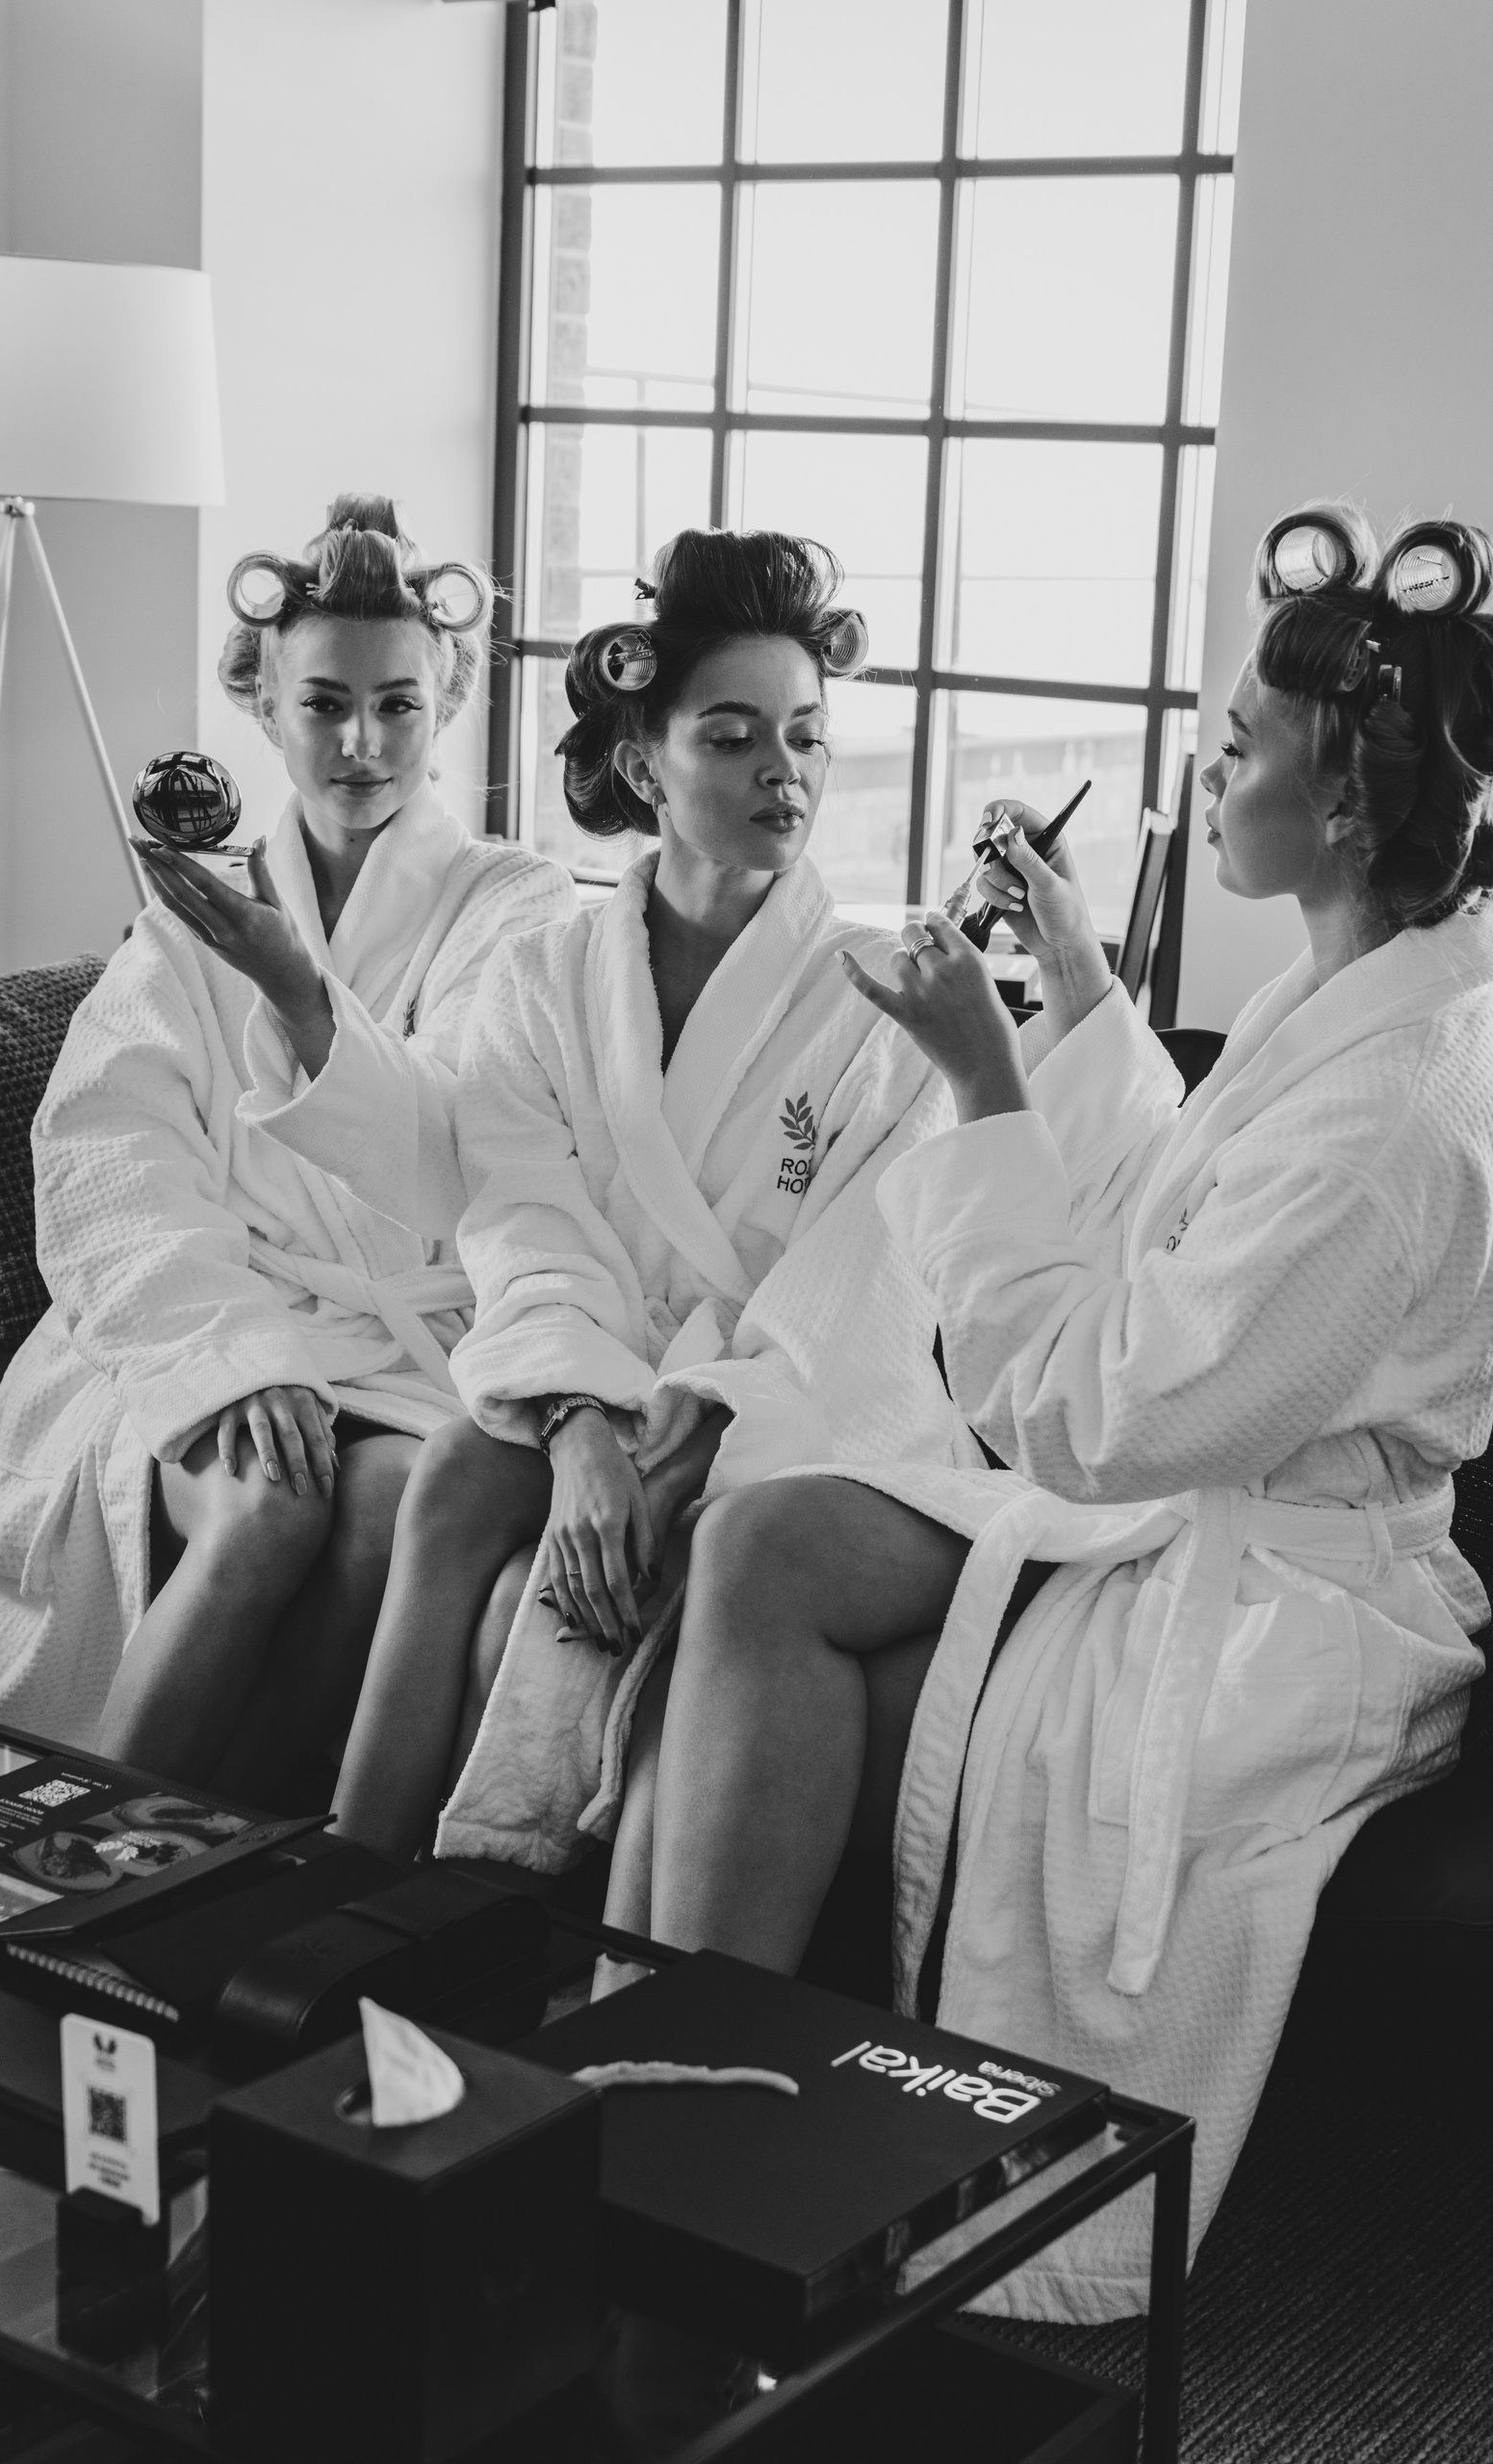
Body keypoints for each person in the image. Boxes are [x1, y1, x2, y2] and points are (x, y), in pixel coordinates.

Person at [639, 507, 1493, 2319]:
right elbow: (1181, 1213)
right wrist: (1073, 975)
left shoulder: (1392, 1110)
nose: (1208, 771)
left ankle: (701, 2133)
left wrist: (983, 1084)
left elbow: (1100, 1413)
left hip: (1270, 1600)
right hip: (1190, 1504)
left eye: (1239, 746)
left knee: (783, 1601)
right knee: (760, 1538)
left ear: (1346, 806)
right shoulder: (1357, 995)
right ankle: (679, 2073)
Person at [315, 529, 980, 1874]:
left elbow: (860, 1291)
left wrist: (678, 1448)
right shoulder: (544, 976)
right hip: (601, 1376)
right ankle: (348, 1875)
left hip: (796, 1413)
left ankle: (494, 1892)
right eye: (732, 738)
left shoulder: (886, 1002)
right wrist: (581, 1434)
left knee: (615, 1540)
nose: (784, 772)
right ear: (642, 767)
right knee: (456, 1471)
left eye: (805, 736)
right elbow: (524, 1220)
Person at [0, 496, 574, 1795]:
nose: (362, 742)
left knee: (384, 1510)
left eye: (397, 704)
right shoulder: (191, 915)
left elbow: (465, 1156)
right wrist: (232, 1356)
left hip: (403, 1346)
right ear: (267, 707)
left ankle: (220, 1871)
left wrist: (299, 992)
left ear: (444, 702)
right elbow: (110, 1157)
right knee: (267, 1502)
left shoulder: (514, 903)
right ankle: (81, 1859)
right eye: (325, 703)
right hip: (203, 1324)